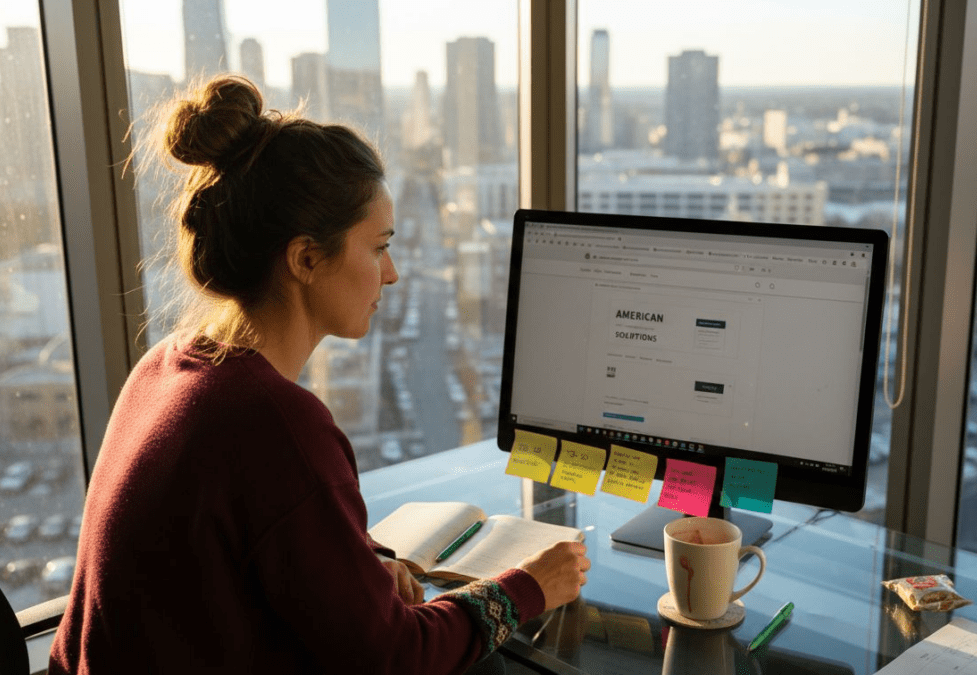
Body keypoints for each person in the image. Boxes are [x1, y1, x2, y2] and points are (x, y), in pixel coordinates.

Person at [48, 74, 589, 674]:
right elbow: (396, 657)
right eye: (378, 247)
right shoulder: (274, 423)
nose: (392, 273)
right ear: (306, 258)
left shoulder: (165, 366)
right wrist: (530, 587)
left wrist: (362, 559)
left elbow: (261, 548)